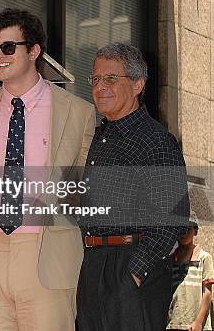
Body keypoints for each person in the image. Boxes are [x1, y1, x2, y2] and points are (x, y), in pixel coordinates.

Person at [0, 8, 95, 330]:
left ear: (34, 51)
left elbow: (84, 189)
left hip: (47, 249)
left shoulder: (78, 113)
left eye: (9, 47)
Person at [77, 42, 190, 331]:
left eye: (111, 78)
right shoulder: (101, 136)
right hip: (93, 265)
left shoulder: (156, 140)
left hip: (132, 267)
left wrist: (135, 274)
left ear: (138, 84)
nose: (100, 86)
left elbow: (171, 219)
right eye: (96, 79)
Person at [167, 215, 214, 331]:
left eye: (188, 229)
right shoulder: (171, 260)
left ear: (195, 231)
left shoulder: (204, 257)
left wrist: (198, 322)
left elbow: (207, 293)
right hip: (174, 323)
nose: (183, 233)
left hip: (196, 325)